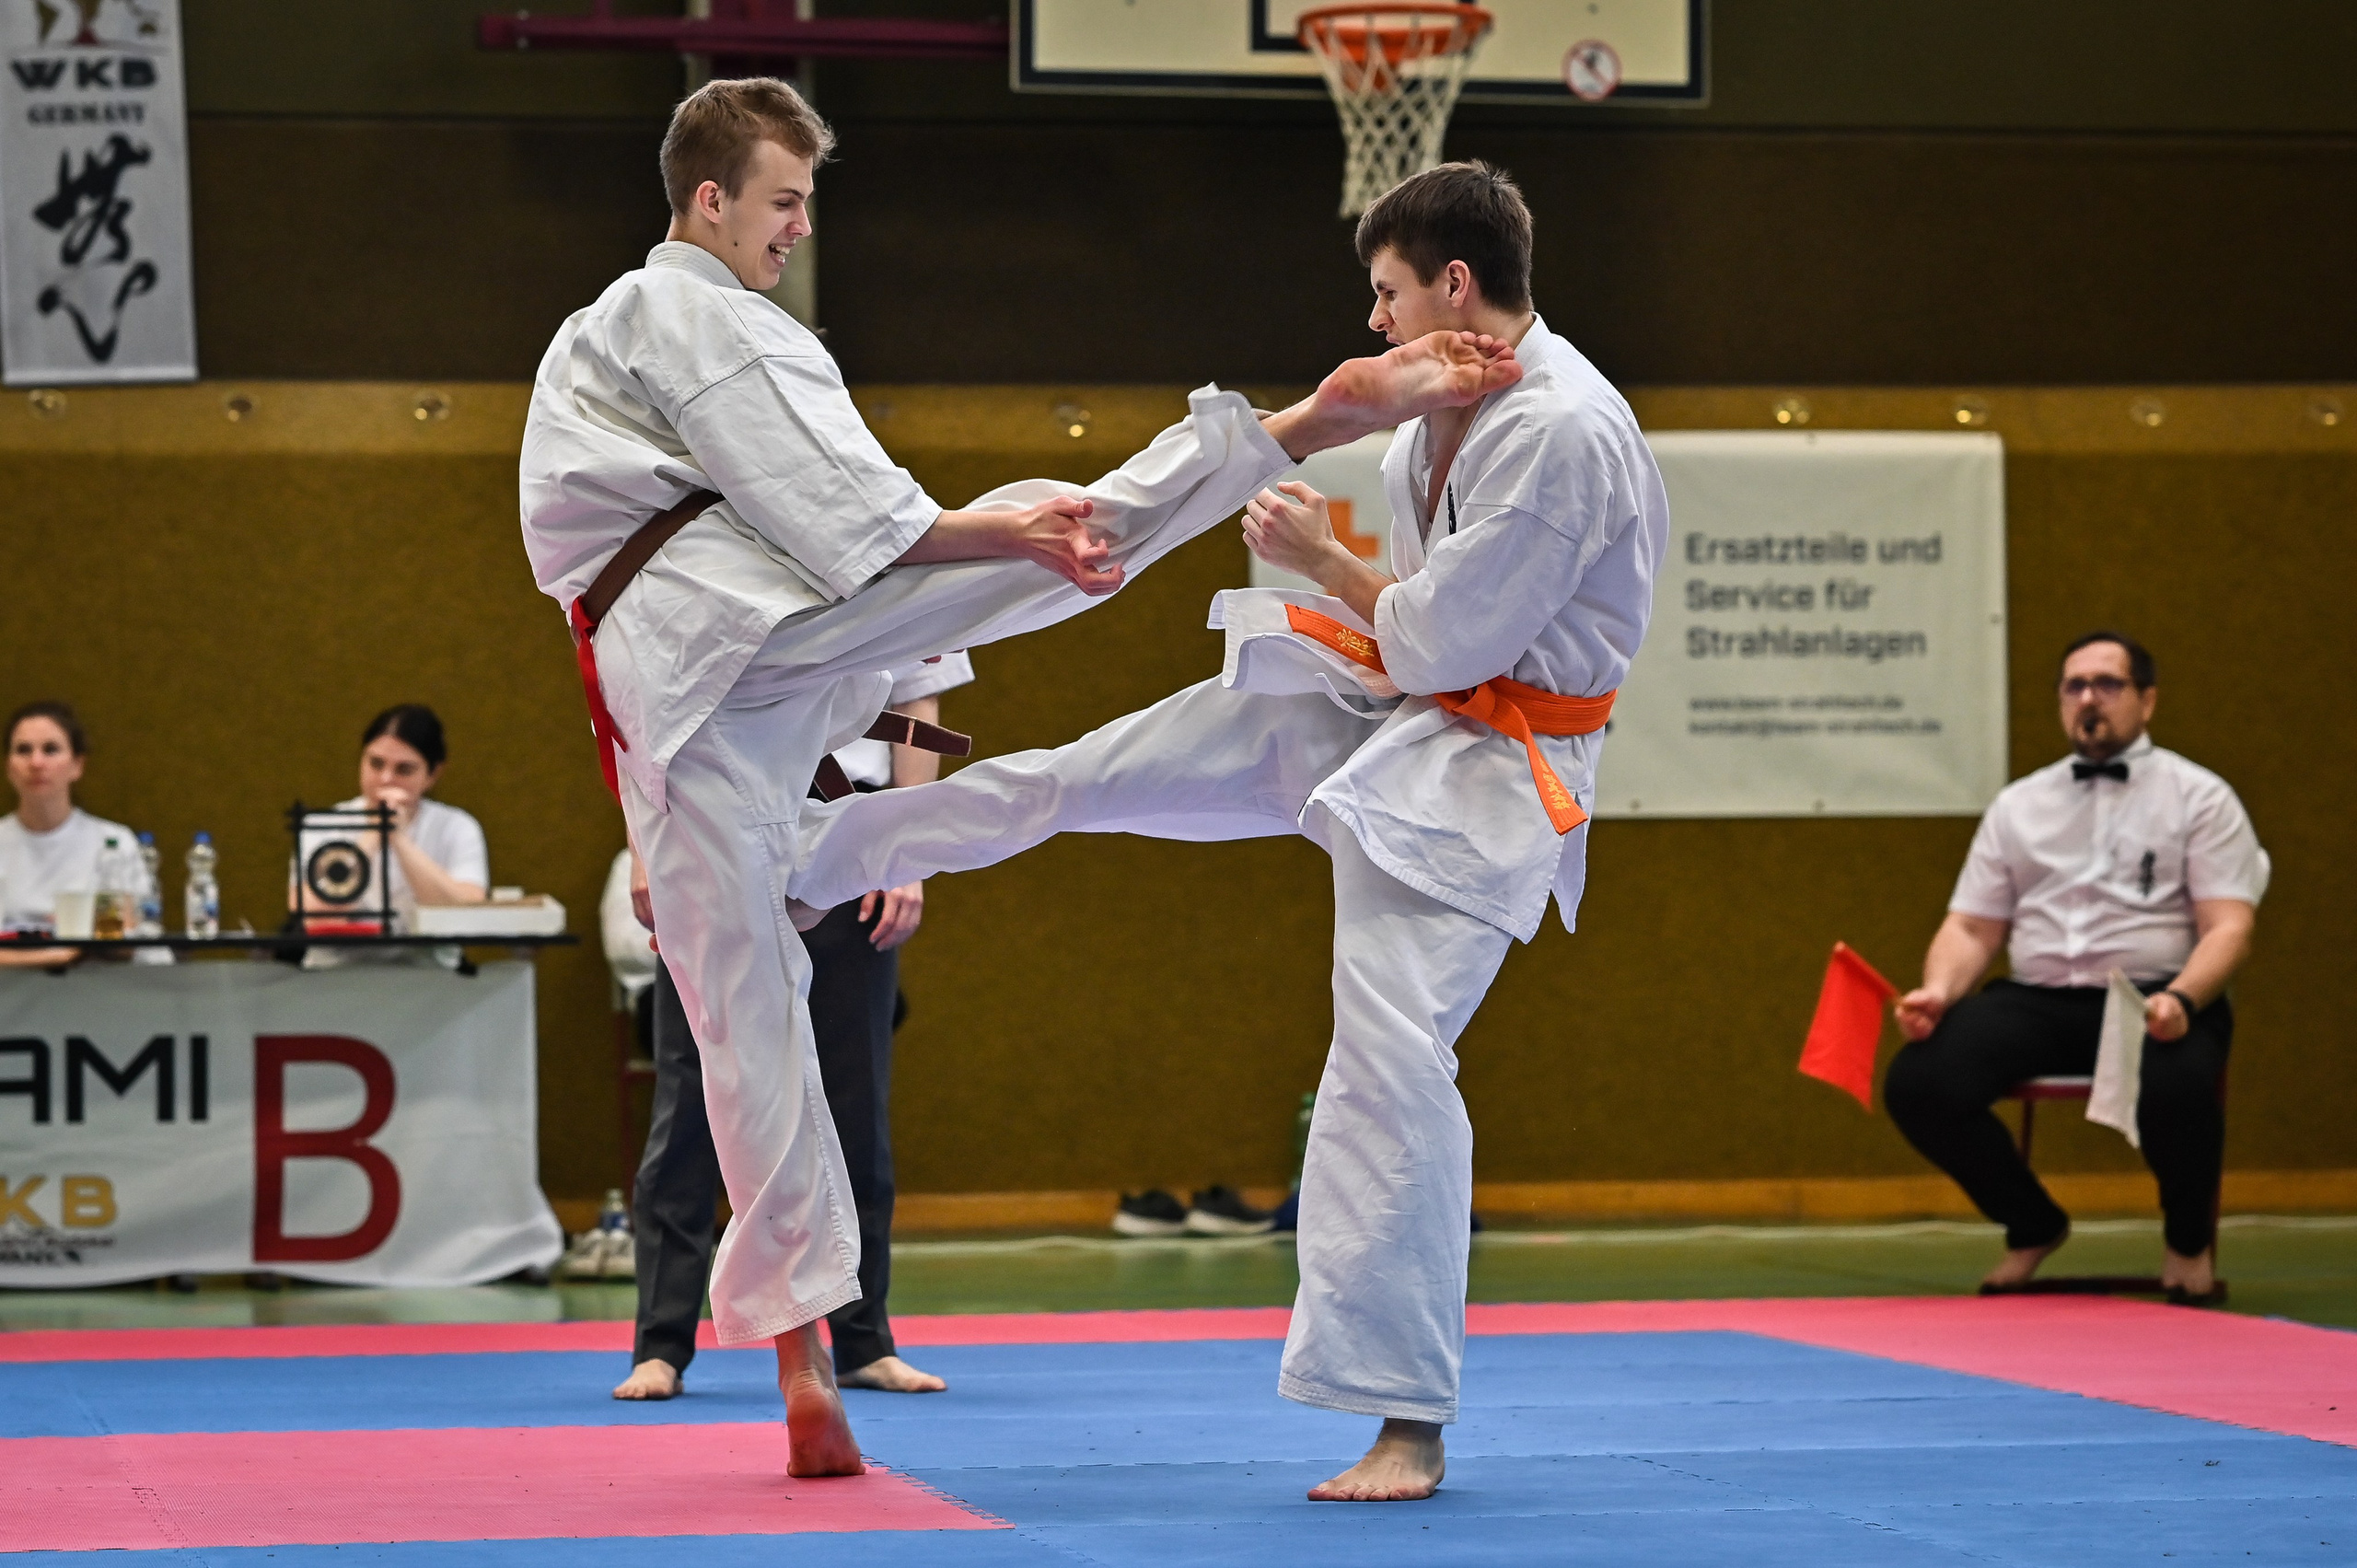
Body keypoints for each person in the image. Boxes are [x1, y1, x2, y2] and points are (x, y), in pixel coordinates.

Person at [519, 75, 1516, 1478]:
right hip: (723, 634)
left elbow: (829, 517)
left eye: (807, 201)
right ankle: (1293, 424)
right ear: (708, 199)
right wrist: (986, 543)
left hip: (681, 690)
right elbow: (859, 525)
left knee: (747, 1020)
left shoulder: (645, 336)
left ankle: (805, 1352)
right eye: (784, 200)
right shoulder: (689, 313)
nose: (799, 225)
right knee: (1056, 545)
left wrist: (976, 541)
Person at [786, 163, 1666, 1502]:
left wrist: (1322, 556)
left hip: (1487, 767)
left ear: (1456, 286)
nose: (1376, 322)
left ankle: (1403, 1415)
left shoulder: (1560, 431)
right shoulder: (1458, 401)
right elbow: (1418, 636)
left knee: (1385, 1056)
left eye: (1386, 293)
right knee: (1090, 772)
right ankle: (811, 860)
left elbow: (1445, 640)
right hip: (1385, 704)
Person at [611, 655, 970, 1405]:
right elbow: (635, 707)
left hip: (851, 817)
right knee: (691, 1093)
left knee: (853, 1096)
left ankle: (864, 1336)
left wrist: (907, 850)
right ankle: (661, 1342)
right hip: (714, 812)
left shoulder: (908, 544)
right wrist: (644, 849)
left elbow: (919, 698)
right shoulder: (703, 543)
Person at [1887, 632, 2266, 1302]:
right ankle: (2031, 1221)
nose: (2089, 698)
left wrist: (2182, 997)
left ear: (2146, 701)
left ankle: (2186, 1243)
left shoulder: (2201, 797)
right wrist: (1938, 992)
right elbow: (1973, 924)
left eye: (2108, 684)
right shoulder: (2019, 805)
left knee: (2180, 1089)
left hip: (2153, 997)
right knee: (1921, 1079)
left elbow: (2229, 926)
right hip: (2039, 998)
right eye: (2075, 685)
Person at [296, 706, 487, 964]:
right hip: (336, 976)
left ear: (432, 775)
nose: (386, 779)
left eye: (404, 770)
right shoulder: (322, 825)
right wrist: (373, 835)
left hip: (431, 980)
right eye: (375, 764)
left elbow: (467, 915)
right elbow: (314, 914)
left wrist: (401, 841)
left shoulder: (457, 827)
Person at [0, 701, 163, 968]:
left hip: (94, 996)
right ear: (9, 767)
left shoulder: (112, 843)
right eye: (23, 750)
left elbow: (125, 943)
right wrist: (62, 954)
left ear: (77, 765)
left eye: (50, 750)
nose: (36, 762)